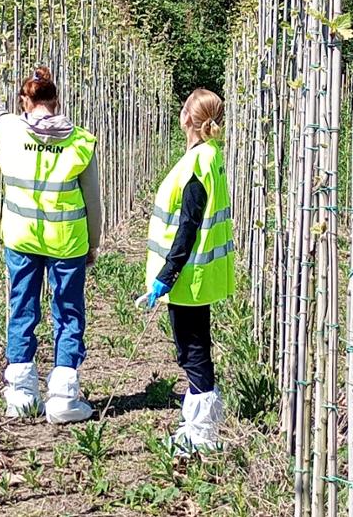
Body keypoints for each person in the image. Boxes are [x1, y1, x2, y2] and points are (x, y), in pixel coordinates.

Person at [0, 56, 100, 424]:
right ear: (57, 101)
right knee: (68, 313)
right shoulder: (80, 141)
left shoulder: (12, 130)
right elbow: (93, 200)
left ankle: (21, 393)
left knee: (22, 309)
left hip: (21, 239)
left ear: (24, 101)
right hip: (67, 242)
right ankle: (63, 396)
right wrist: (93, 242)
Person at [135, 88, 234, 453]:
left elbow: (188, 226)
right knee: (195, 348)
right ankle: (198, 425)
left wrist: (166, 277)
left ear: (186, 119)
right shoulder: (210, 156)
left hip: (189, 275)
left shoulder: (197, 164)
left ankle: (201, 432)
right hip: (199, 274)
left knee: (191, 351)